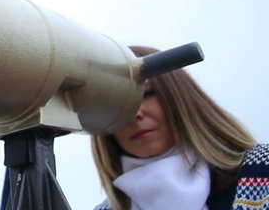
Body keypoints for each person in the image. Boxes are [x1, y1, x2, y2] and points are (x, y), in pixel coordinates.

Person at [92, 46, 269, 210]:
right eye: (115, 105)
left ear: (179, 95)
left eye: (146, 94)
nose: (133, 114)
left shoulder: (263, 171)